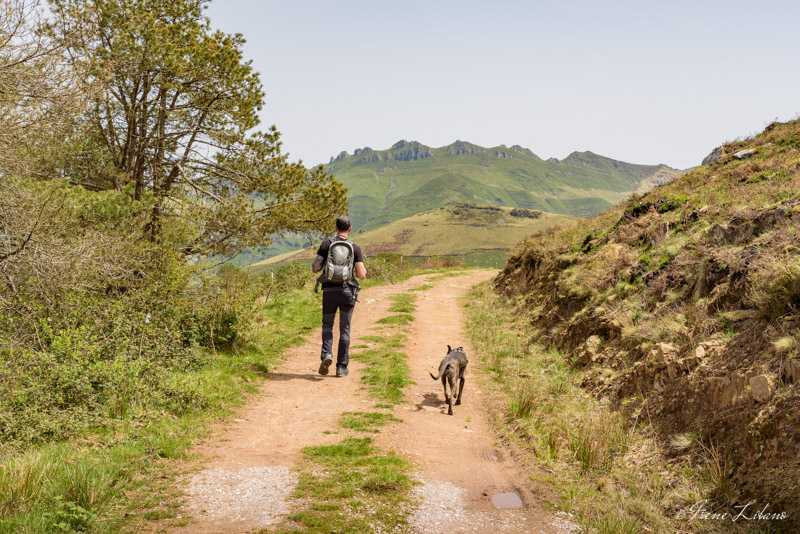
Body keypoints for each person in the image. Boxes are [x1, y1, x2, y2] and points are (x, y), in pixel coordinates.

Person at [312, 215, 367, 377]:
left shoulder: (326, 244)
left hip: (329, 292)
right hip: (347, 292)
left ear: (335, 228)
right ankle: (341, 367)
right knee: (345, 328)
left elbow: (316, 268)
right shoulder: (355, 248)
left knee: (327, 324)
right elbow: (362, 275)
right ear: (350, 228)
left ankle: (326, 354)